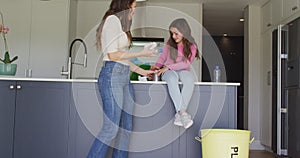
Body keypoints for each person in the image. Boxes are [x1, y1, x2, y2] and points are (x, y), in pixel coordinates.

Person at [87, 0, 156, 157]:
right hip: (112, 77)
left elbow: (122, 57)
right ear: (126, 4)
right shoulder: (112, 20)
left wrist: (141, 71)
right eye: (134, 6)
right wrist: (141, 53)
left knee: (126, 128)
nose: (134, 10)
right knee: (111, 129)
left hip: (123, 77)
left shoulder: (121, 24)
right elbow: (113, 55)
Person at [152, 18, 200, 129]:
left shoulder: (192, 46)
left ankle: (179, 115)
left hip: (182, 70)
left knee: (189, 81)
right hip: (168, 71)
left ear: (184, 32)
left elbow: (186, 63)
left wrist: (168, 67)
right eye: (172, 33)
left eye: (176, 33)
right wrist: (157, 67)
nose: (173, 36)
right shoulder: (170, 43)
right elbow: (162, 57)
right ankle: (183, 113)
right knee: (172, 79)